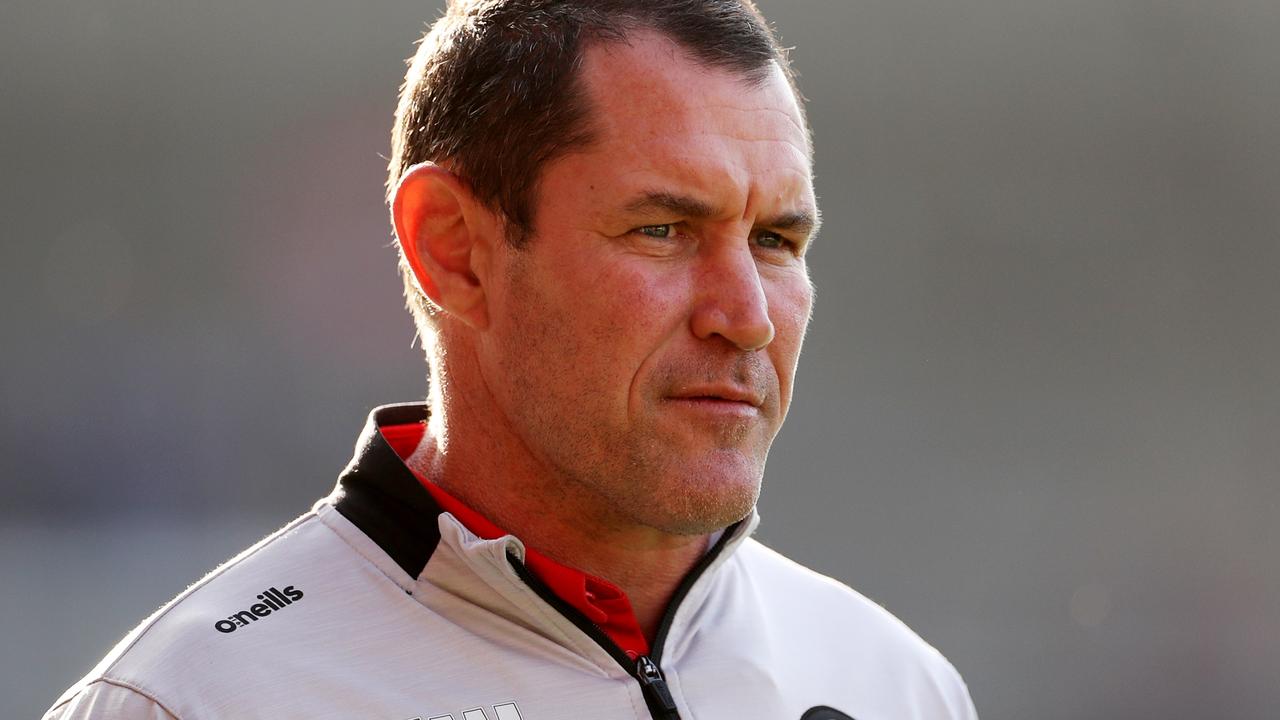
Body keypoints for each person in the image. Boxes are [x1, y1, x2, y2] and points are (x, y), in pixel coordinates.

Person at [44, 1, 978, 718]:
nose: (747, 318)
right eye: (662, 228)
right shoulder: (197, 702)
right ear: (453, 247)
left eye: (776, 240)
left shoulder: (896, 684)